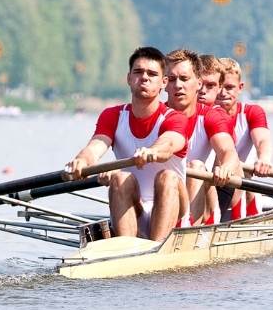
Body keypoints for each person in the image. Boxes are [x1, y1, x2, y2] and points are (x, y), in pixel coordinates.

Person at [65, 46, 188, 241]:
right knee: (120, 178)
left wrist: (152, 151)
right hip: (133, 206)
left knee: (168, 176)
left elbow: (170, 143)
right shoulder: (112, 116)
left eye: (152, 74)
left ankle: (158, 248)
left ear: (164, 82)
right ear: (129, 78)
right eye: (138, 72)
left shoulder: (175, 118)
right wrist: (81, 161)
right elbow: (95, 147)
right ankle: (127, 248)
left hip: (174, 209)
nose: (144, 78)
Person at [162, 48, 240, 224]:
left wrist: (226, 167)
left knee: (196, 166)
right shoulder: (157, 115)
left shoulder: (212, 115)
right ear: (164, 83)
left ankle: (187, 230)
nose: (178, 85)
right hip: (165, 193)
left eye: (183, 79)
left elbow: (229, 152)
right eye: (172, 79)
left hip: (203, 194)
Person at [215, 57, 273, 219]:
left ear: (240, 87)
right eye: (218, 86)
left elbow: (262, 140)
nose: (222, 92)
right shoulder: (204, 114)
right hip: (214, 180)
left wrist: (264, 159)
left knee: (241, 173)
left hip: (244, 181)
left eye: (229, 87)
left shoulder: (251, 113)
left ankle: (247, 217)